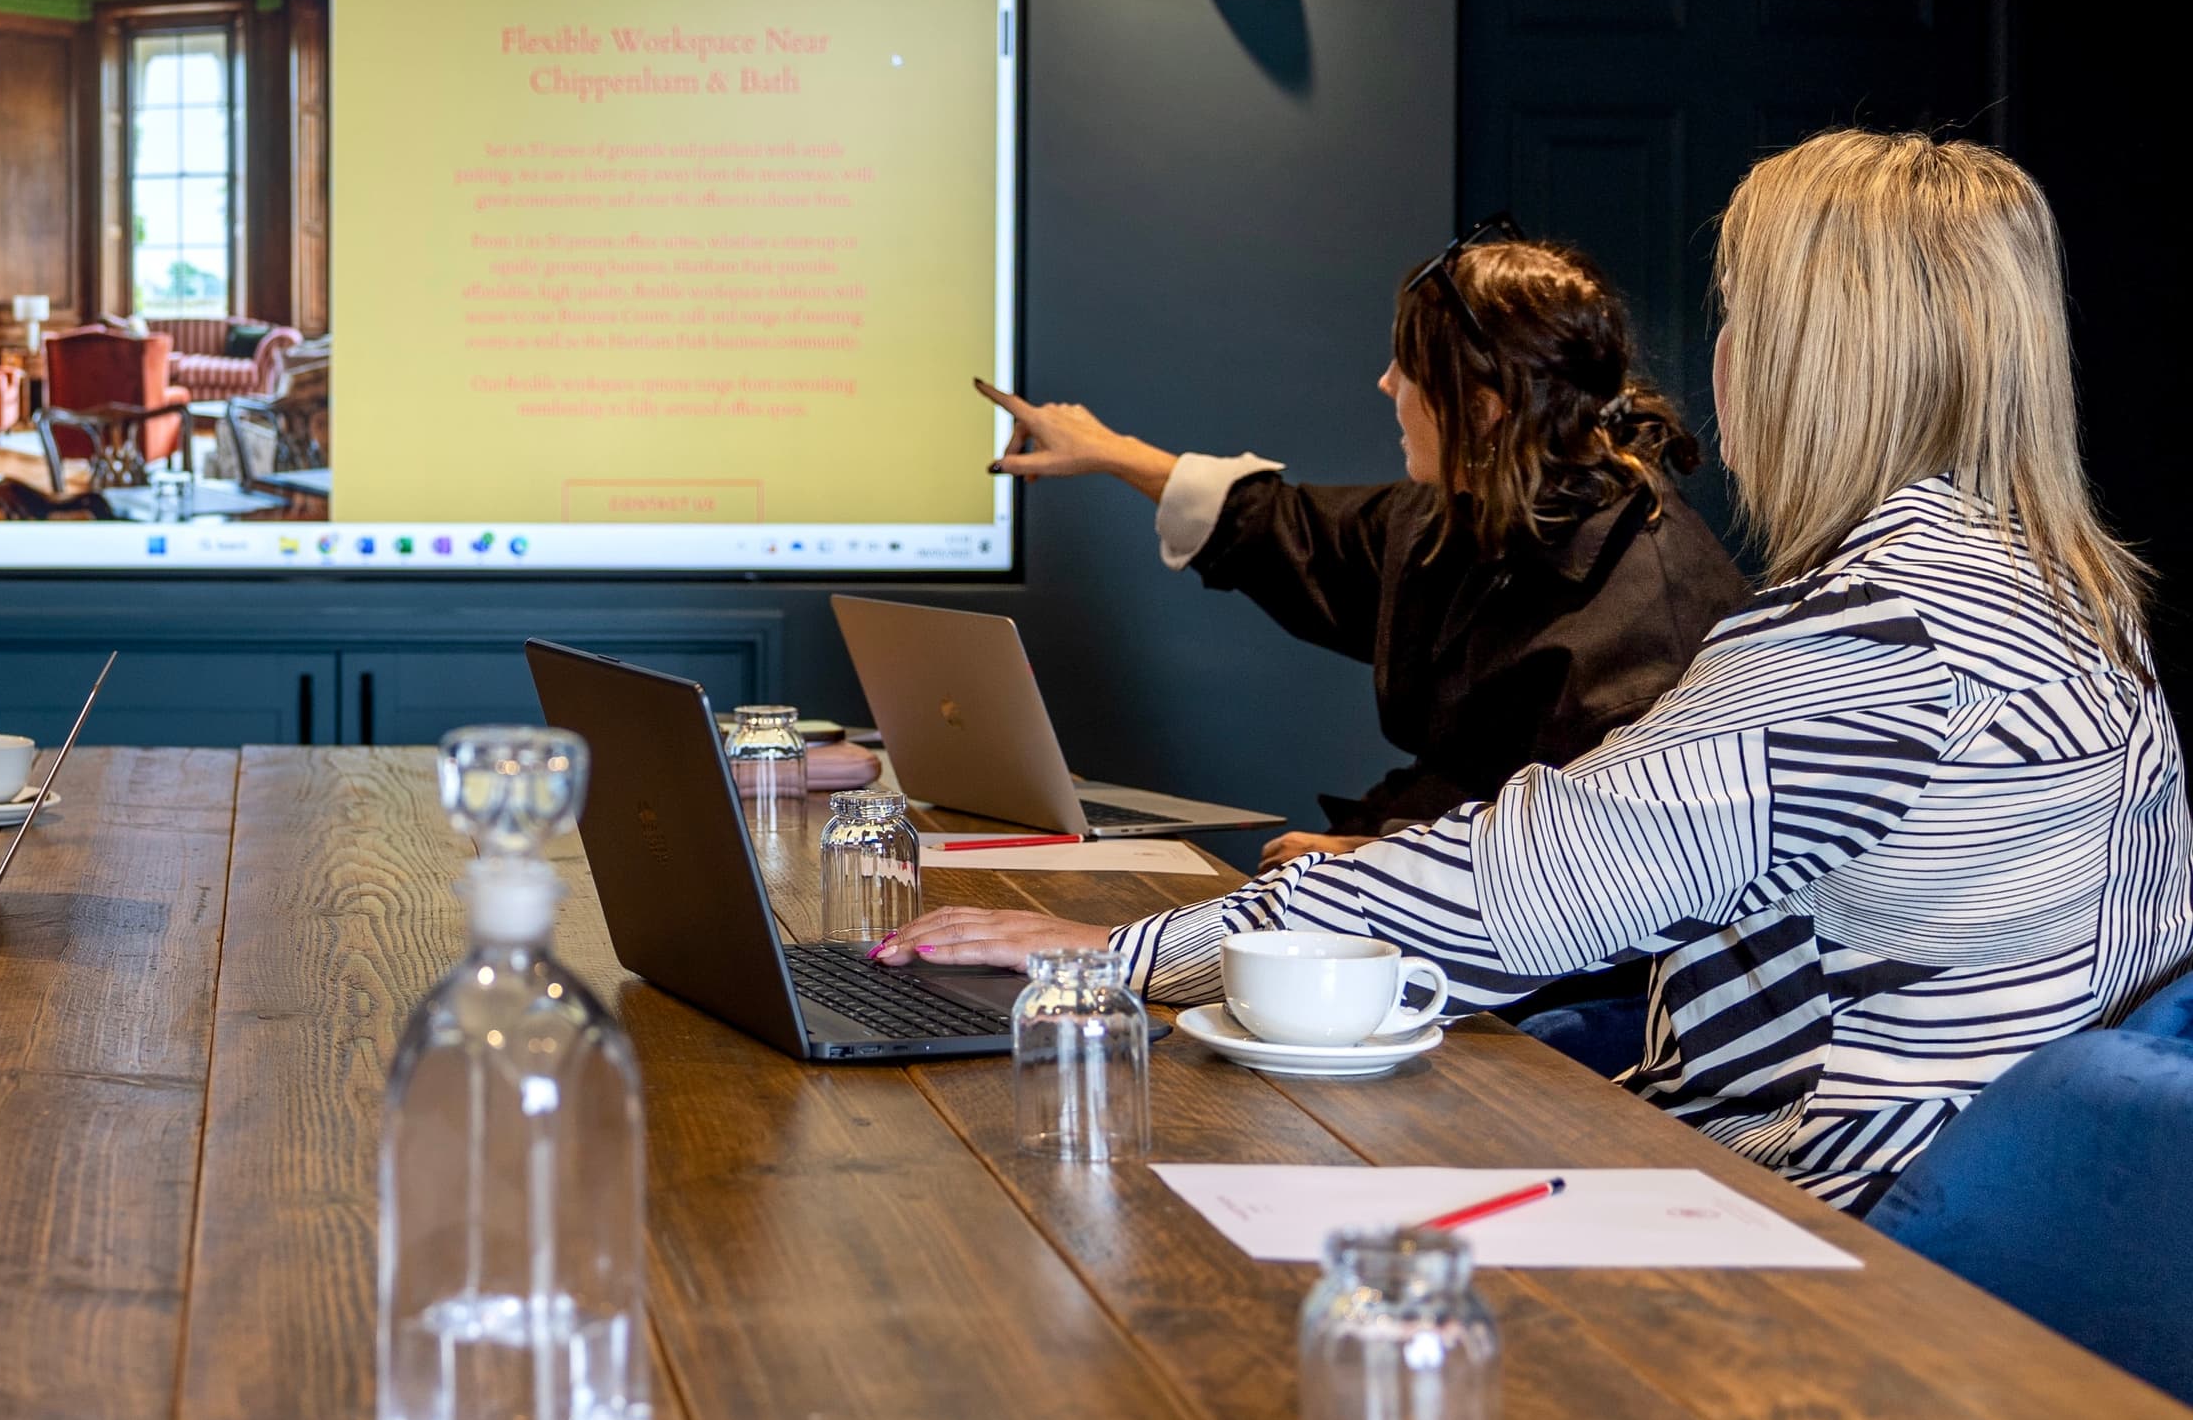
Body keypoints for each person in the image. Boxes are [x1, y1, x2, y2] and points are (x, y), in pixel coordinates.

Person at [887, 131, 2192, 1212]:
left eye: (1740, 318)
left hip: (1839, 1226)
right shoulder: (2054, 596)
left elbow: (1528, 888)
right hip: (1960, 1201)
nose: (1720, 355)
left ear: (1814, 365)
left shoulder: (1878, 641)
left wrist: (1115, 955)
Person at [977, 227, 1746, 866]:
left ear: (1483, 410)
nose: (1385, 384)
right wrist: (1110, 451)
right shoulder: (1472, 514)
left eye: (1408, 369)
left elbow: (1609, 863)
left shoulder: (1646, 614)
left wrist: (1370, 858)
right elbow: (1291, 531)